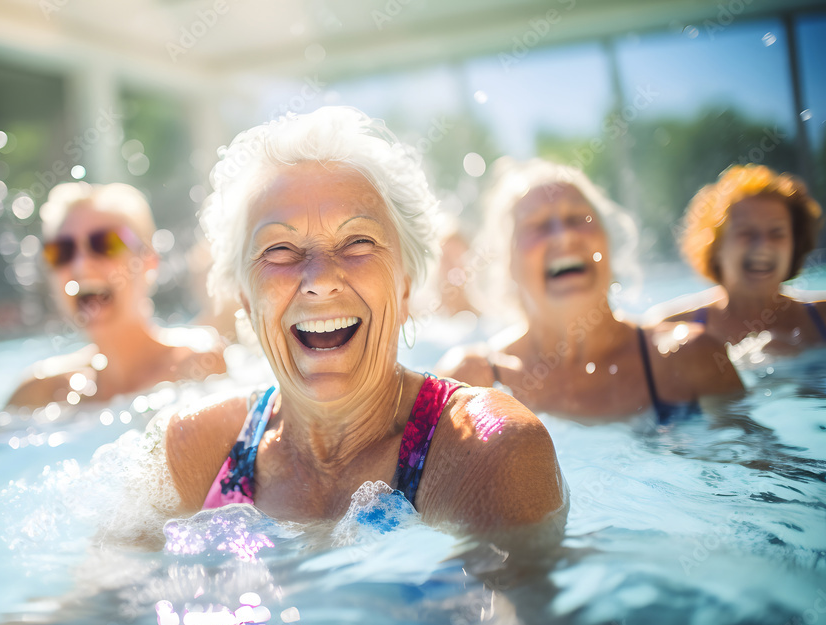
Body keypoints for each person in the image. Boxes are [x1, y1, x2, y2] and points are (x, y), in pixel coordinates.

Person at [151, 107, 566, 535]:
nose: (320, 279)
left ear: (405, 287)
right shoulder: (194, 449)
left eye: (357, 241)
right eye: (280, 250)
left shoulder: (486, 450)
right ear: (245, 298)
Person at [436, 158, 742, 422]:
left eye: (577, 219)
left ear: (608, 243)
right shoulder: (471, 383)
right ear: (508, 264)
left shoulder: (687, 359)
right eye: (538, 226)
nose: (565, 237)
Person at [7, 182, 226, 409]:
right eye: (62, 252)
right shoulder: (41, 392)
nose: (81, 266)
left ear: (149, 261)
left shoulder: (199, 365)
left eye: (105, 244)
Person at [647, 164, 825, 354]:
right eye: (746, 233)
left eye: (776, 233)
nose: (763, 245)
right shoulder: (670, 329)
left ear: (795, 244)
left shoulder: (823, 317)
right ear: (715, 246)